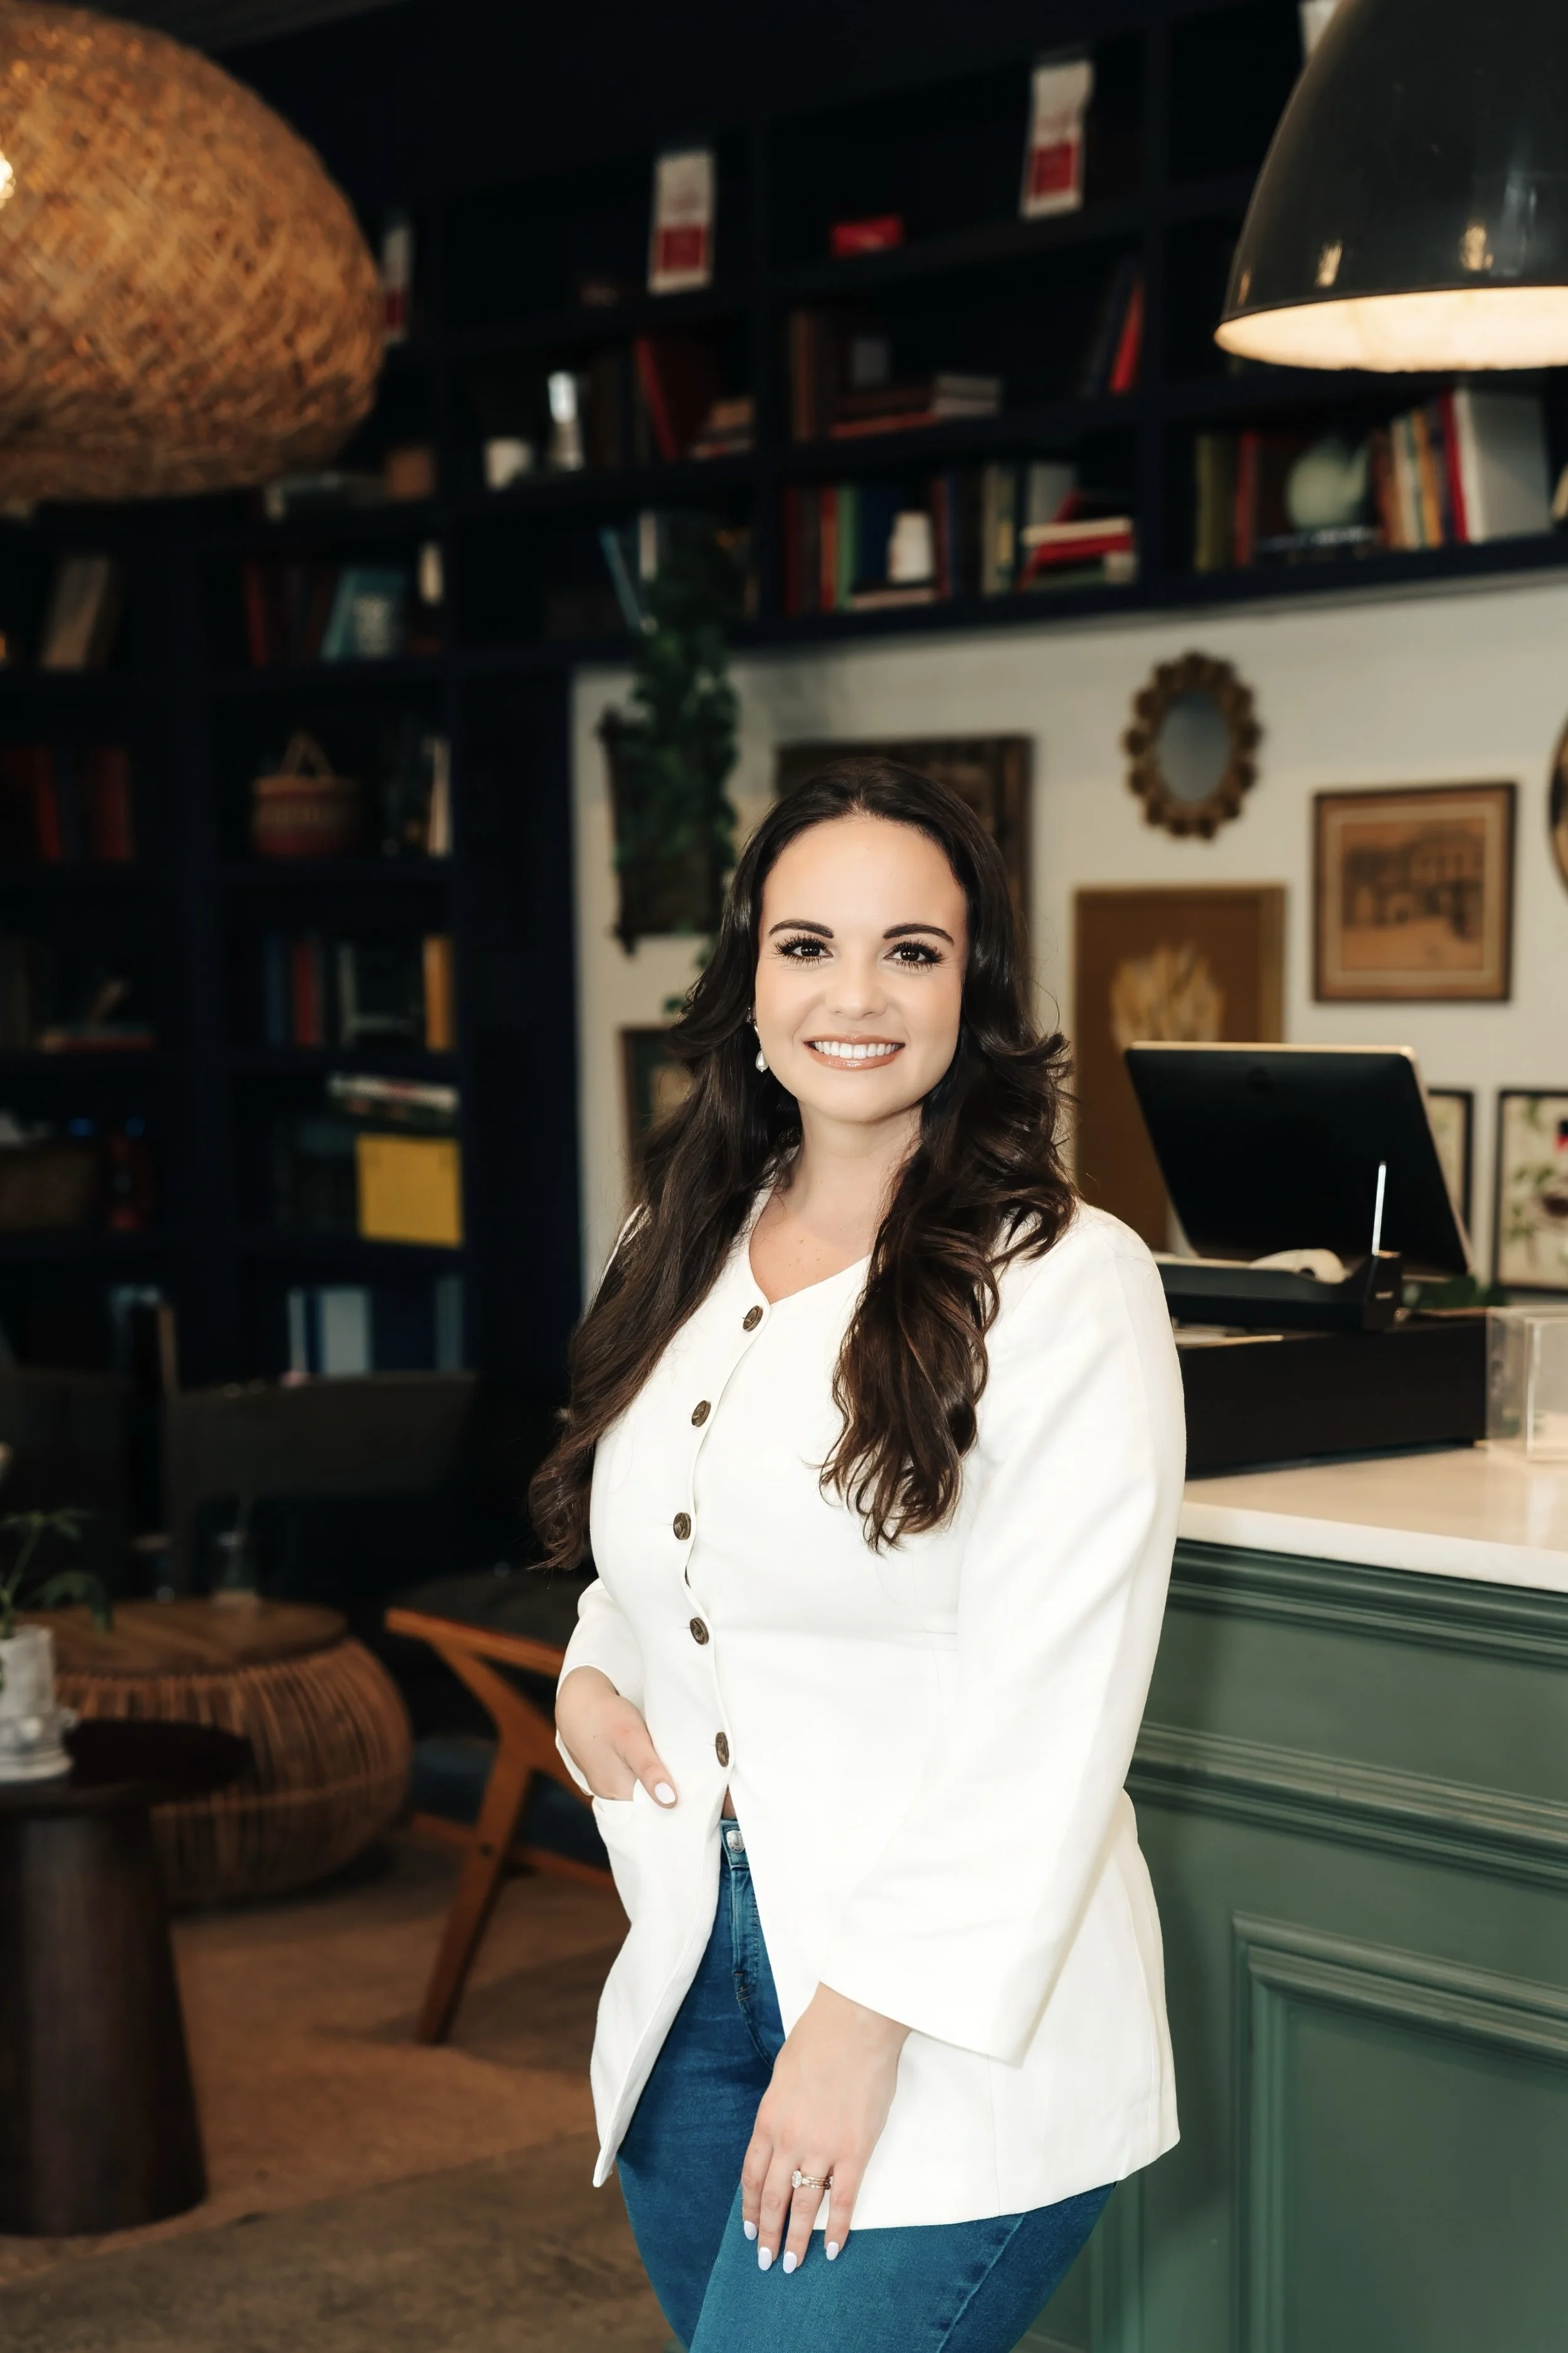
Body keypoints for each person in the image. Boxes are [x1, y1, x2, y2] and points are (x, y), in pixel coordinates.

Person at [534, 758, 1184, 2353]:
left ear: (976, 985)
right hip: (692, 1964)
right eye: (808, 944)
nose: (856, 996)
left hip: (943, 2016)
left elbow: (1055, 1715)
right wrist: (588, 1671)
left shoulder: (1065, 1284)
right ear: (747, 973)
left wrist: (857, 2027)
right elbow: (646, 1558)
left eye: (913, 950)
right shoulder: (676, 1237)